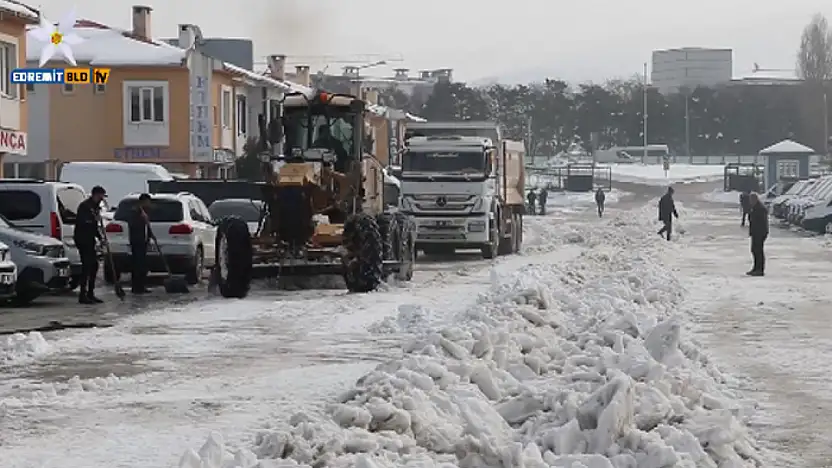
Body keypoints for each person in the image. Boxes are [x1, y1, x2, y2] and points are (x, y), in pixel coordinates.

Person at [73, 186, 106, 304]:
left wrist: (101, 237)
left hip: (90, 239)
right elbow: (84, 222)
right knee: (87, 266)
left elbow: (94, 226)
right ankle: (83, 295)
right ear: (95, 195)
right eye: (100, 196)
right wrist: (93, 219)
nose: (102, 199)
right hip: (82, 239)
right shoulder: (85, 206)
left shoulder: (95, 207)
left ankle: (90, 293)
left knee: (94, 266)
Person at [128, 193, 155, 294]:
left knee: (143, 265)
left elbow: (146, 226)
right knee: (137, 265)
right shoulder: (135, 211)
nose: (149, 204)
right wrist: (141, 219)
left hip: (144, 241)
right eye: (147, 202)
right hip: (137, 241)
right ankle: (136, 287)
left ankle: (141, 286)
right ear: (143, 202)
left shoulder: (145, 211)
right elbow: (133, 224)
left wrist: (150, 235)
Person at [747, 192, 769, 276]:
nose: (750, 201)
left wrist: (759, 232)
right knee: (754, 250)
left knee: (758, 251)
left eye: (752, 199)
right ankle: (755, 268)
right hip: (755, 232)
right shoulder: (754, 207)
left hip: (760, 232)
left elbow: (761, 222)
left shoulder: (760, 208)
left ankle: (760, 269)